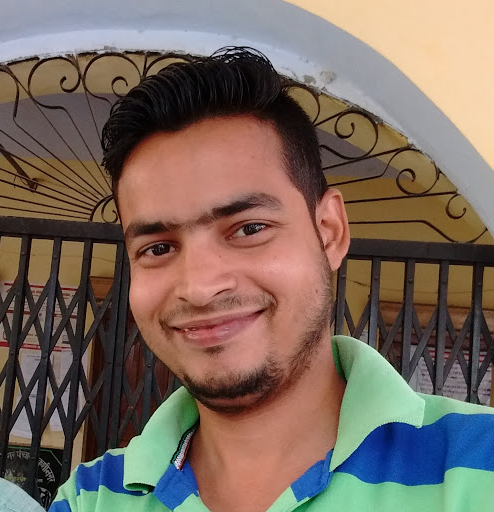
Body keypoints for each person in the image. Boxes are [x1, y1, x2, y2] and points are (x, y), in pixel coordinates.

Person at [50, 47, 494, 512]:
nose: (199, 288)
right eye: (157, 248)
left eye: (249, 229)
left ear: (329, 232)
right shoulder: (91, 498)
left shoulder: (478, 467)